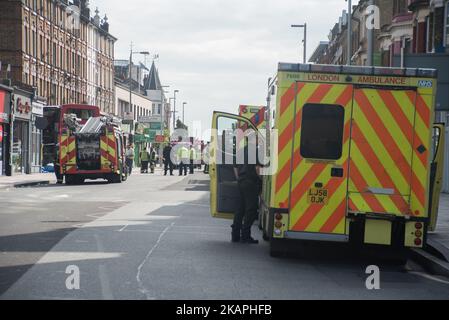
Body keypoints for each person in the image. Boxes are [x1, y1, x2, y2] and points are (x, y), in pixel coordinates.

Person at [231, 140, 261, 244]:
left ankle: (235, 235)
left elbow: (234, 166)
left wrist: (238, 178)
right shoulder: (255, 151)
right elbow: (257, 168)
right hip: (251, 183)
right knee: (251, 209)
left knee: (240, 209)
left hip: (241, 182)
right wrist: (261, 179)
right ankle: (245, 235)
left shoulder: (240, 151)